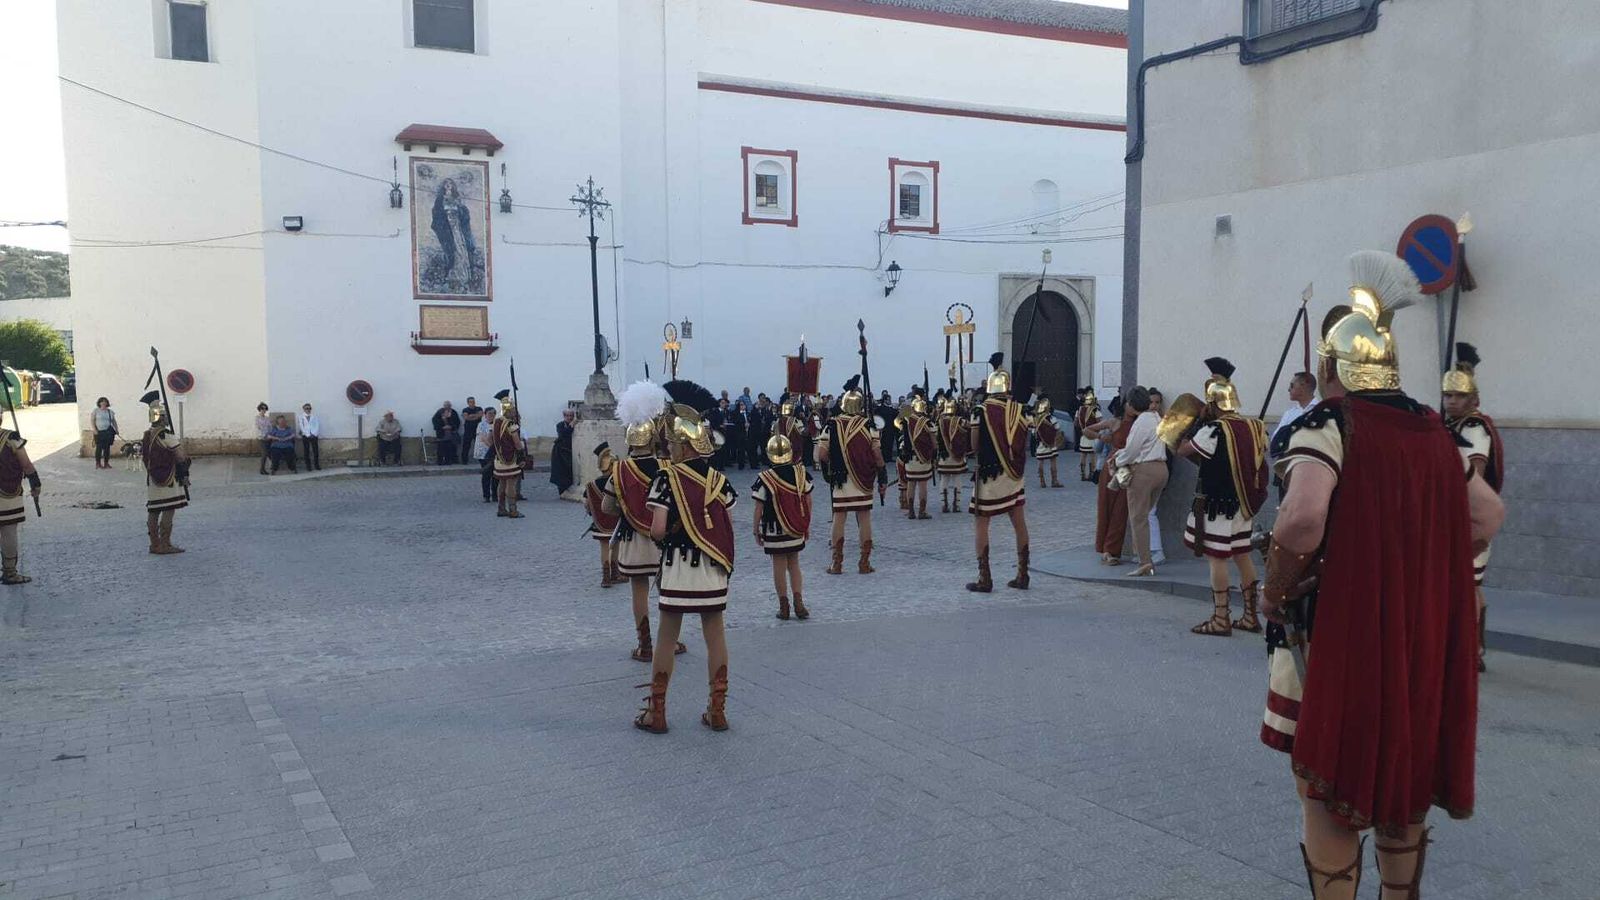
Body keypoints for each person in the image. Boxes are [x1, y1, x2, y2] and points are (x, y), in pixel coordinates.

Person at [1259, 251, 1502, 899]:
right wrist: (1421, 562)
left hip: (1337, 634)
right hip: (1416, 638)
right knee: (1403, 777)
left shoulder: (1330, 424)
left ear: (1331, 369)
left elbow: (1301, 520)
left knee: (1327, 791)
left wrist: (1274, 588)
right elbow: (1487, 514)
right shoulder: (1432, 430)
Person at [634, 379, 737, 735]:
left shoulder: (666, 479)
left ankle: (657, 711)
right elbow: (726, 520)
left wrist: (661, 533)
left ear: (680, 445)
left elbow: (658, 529)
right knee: (715, 634)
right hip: (711, 566)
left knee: (667, 636)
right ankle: (717, 709)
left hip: (679, 565)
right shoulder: (719, 480)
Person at [1174, 358, 1269, 635]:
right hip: (1243, 504)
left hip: (1217, 505)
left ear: (1213, 403)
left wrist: (1189, 428)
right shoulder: (1254, 426)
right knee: (1242, 554)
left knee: (1217, 557)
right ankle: (1250, 616)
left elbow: (1183, 450)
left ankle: (1220, 618)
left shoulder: (1214, 430)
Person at [609, 380, 685, 662]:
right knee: (667, 591)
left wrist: (627, 506)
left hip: (633, 540)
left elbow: (607, 506)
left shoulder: (619, 470)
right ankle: (670, 642)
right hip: (663, 538)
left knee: (638, 590)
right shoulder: (666, 467)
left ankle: (645, 644)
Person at [1441, 343, 1502, 672]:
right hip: (1456, 518)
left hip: (1470, 518)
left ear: (1473, 399)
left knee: (1469, 585)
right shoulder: (1454, 425)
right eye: (1448, 395)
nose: (1452, 400)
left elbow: (1474, 474)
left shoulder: (1474, 428)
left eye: (1458, 396)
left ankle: (1473, 649)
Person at [967, 353, 1031, 592]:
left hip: (989, 475)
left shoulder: (980, 411)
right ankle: (1023, 574)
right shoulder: (1021, 410)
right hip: (1014, 474)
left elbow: (974, 445)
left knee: (981, 524)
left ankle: (985, 578)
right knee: (1019, 522)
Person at [815, 376, 882, 575]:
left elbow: (821, 455)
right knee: (864, 517)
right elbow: (878, 456)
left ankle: (837, 563)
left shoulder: (831, 425)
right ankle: (864, 562)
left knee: (839, 518)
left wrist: (834, 465)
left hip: (841, 480)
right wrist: (882, 476)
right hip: (863, 479)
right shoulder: (869, 425)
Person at [753, 434, 813, 620]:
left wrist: (756, 530)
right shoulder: (800, 473)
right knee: (794, 564)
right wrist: (805, 523)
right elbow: (808, 500)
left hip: (774, 528)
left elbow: (758, 507)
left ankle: (784, 605)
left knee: (778, 565)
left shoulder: (765, 478)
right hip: (795, 525)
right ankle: (799, 602)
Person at [1115, 387, 1169, 576]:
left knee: (1138, 518)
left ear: (1131, 404)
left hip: (1144, 471)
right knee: (1146, 515)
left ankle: (1145, 561)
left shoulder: (1142, 422)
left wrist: (1118, 460)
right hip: (1161, 469)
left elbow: (1132, 450)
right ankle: (1148, 556)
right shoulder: (1156, 417)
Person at [1083, 397, 1134, 565]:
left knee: (1121, 510)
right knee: (1107, 507)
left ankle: (1111, 550)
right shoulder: (1114, 422)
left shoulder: (1140, 423)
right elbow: (1087, 430)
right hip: (1113, 467)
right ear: (1124, 405)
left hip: (1130, 467)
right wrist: (1100, 436)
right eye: (1130, 403)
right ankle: (1105, 549)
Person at [140, 391, 190, 555]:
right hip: (168, 478)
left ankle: (154, 544)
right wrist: (185, 470)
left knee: (154, 510)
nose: (167, 418)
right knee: (169, 508)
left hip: (153, 478)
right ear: (160, 418)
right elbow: (180, 456)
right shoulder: (165, 434)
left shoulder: (147, 434)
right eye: (165, 416)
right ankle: (164, 544)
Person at [0, 419, 42, 583]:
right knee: (8, 531)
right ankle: (10, 573)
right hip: (6, 494)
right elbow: (26, 464)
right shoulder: (11, 438)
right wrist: (35, 483)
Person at [1270, 372, 1318, 502]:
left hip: (1311, 472)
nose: (1288, 389)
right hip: (1287, 471)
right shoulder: (1289, 413)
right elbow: (1276, 441)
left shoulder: (1320, 411)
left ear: (1303, 385)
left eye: (1292, 385)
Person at [583, 443, 621, 588]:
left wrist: (592, 513)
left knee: (604, 548)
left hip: (600, 523)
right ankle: (615, 573)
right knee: (615, 546)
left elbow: (587, 503)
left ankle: (606, 577)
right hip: (616, 522)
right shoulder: (617, 482)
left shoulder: (592, 484)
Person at [897, 393, 936, 519]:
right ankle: (922, 511)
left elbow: (898, 422)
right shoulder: (928, 423)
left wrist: (906, 409)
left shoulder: (907, 421)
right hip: (923, 458)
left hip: (909, 457)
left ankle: (911, 511)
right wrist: (934, 455)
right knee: (922, 485)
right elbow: (934, 442)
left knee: (911, 484)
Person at [492, 391, 526, 518]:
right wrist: (522, 454)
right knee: (511, 483)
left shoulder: (496, 422)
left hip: (499, 458)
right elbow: (517, 442)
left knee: (502, 483)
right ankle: (513, 510)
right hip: (510, 459)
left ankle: (501, 508)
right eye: (513, 409)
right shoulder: (510, 424)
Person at [935, 395, 971, 514]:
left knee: (944, 480)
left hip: (944, 455)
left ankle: (944, 505)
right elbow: (970, 426)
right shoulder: (960, 420)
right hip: (957, 455)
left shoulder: (940, 421)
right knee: (957, 479)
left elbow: (936, 437)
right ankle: (956, 504)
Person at [1030, 395, 1066, 488]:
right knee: (1053, 461)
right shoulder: (1052, 418)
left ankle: (1042, 482)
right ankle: (1054, 481)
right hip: (1052, 444)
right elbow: (1057, 429)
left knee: (1040, 462)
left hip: (1041, 444)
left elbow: (1033, 433)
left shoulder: (1036, 420)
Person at [1074, 390, 1102, 481]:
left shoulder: (1079, 410)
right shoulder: (1095, 410)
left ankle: (1082, 474)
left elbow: (1075, 423)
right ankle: (1091, 474)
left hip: (1083, 435)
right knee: (1092, 455)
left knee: (1083, 455)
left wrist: (1083, 429)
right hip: (1093, 435)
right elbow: (1099, 424)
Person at [550, 408, 575, 495]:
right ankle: (561, 490)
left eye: (571, 416)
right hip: (560, 452)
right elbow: (563, 434)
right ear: (564, 416)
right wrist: (570, 427)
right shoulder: (560, 425)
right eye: (567, 416)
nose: (569, 418)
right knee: (560, 471)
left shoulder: (575, 425)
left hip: (570, 451)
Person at [474, 406, 497, 502]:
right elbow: (483, 438)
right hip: (484, 452)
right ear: (485, 414)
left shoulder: (496, 424)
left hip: (494, 453)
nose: (492, 415)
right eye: (489, 413)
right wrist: (493, 447)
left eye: (493, 413)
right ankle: (486, 495)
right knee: (486, 473)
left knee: (496, 474)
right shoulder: (481, 425)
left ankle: (495, 494)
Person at [90, 397, 119, 469]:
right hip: (99, 432)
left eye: (105, 401)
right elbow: (92, 420)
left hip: (108, 432)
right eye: (102, 401)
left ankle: (106, 463)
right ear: (99, 403)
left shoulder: (110, 412)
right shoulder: (96, 411)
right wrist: (94, 429)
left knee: (107, 448)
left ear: (107, 403)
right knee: (99, 448)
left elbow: (114, 421)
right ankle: (98, 463)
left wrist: (116, 429)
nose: (103, 403)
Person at [431, 401, 461, 466]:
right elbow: (435, 421)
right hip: (441, 434)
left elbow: (457, 422)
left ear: (450, 406)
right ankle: (440, 461)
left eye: (448, 406)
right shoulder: (439, 412)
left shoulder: (453, 412)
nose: (447, 407)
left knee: (450, 448)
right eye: (445, 406)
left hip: (451, 434)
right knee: (440, 448)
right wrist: (442, 427)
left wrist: (451, 426)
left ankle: (450, 461)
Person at [725, 400, 749, 470]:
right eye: (741, 405)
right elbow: (735, 422)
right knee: (740, 449)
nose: (742, 406)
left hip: (748, 432)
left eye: (743, 405)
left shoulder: (747, 413)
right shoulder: (736, 413)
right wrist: (744, 424)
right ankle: (741, 464)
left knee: (746, 448)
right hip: (740, 433)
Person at [297, 403, 321, 471]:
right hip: (305, 435)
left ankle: (317, 465)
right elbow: (301, 427)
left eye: (309, 408)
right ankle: (308, 466)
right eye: (307, 408)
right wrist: (307, 434)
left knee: (315, 451)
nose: (308, 410)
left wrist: (314, 434)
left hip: (314, 435)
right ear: (304, 409)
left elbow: (317, 425)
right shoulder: (301, 417)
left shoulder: (314, 416)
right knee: (306, 451)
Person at [460, 397, 483, 465]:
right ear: (468, 403)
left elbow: (480, 415)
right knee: (466, 446)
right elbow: (466, 418)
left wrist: (471, 416)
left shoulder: (479, 408)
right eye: (470, 402)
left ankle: (482, 460)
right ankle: (464, 461)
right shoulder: (465, 409)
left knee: (480, 445)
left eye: (473, 401)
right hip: (468, 430)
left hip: (478, 430)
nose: (472, 403)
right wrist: (475, 416)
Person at [254, 403, 272, 475]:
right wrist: (263, 435)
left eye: (265, 409)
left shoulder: (267, 418)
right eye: (262, 408)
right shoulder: (257, 418)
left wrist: (269, 435)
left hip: (268, 438)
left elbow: (270, 427)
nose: (264, 410)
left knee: (269, 453)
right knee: (264, 454)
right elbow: (258, 428)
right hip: (261, 438)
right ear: (259, 409)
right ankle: (262, 469)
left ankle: (273, 465)